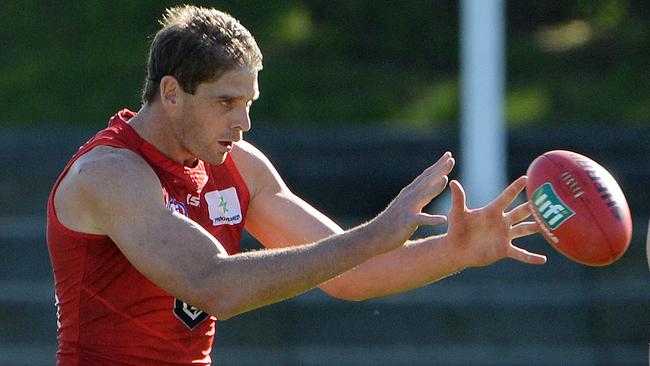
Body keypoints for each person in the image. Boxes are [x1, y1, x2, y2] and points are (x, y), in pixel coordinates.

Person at [46, 4, 546, 365]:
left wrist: (454, 250)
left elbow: (347, 271)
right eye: (225, 103)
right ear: (171, 92)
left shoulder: (238, 164)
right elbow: (213, 284)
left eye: (250, 102)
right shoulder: (111, 173)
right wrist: (376, 232)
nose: (243, 123)